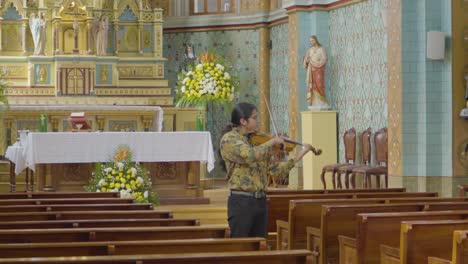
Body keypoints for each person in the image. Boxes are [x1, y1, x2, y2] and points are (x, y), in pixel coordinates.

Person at [219, 102, 315, 238]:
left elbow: (275, 170)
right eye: (254, 118)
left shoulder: (256, 142)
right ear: (243, 121)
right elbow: (250, 155)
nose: (257, 121)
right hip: (242, 201)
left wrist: (301, 154)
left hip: (260, 201)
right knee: (241, 247)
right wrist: (271, 142)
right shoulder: (229, 140)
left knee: (260, 246)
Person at [302, 35, 329, 107]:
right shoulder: (309, 50)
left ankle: (322, 102)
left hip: (319, 71)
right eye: (310, 41)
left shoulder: (321, 49)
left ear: (316, 40)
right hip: (312, 70)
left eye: (312, 40)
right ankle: (314, 102)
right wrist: (307, 61)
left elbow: (325, 58)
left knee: (320, 84)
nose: (311, 42)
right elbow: (305, 61)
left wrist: (319, 63)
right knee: (312, 85)